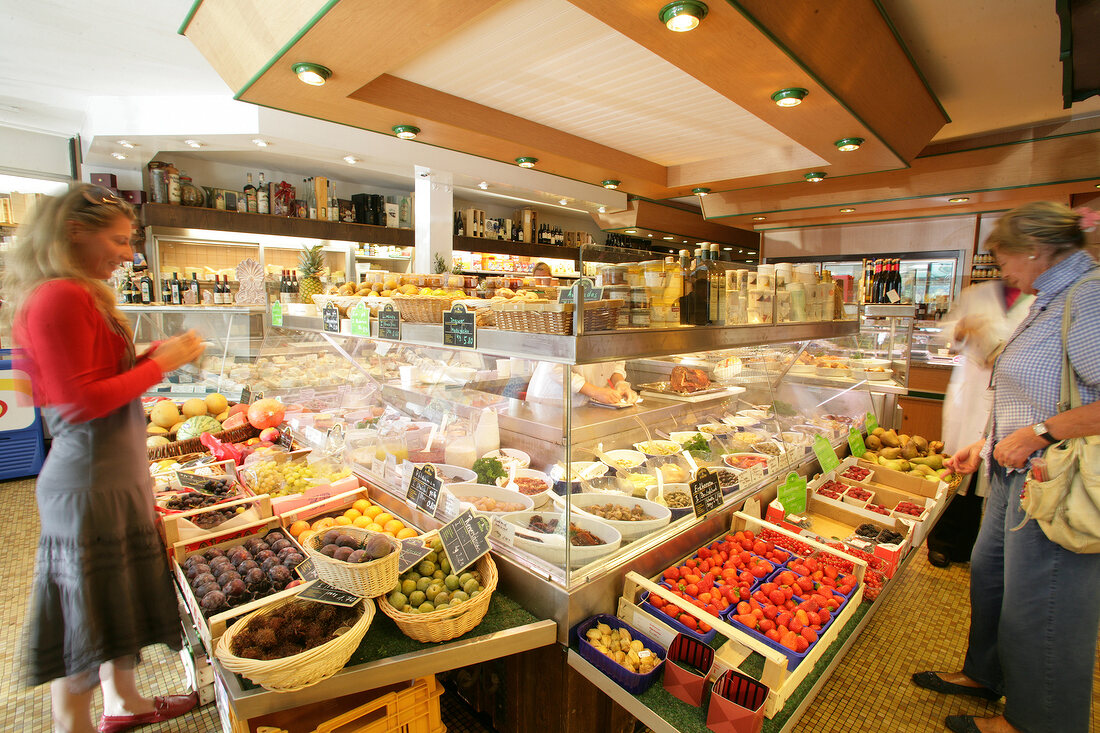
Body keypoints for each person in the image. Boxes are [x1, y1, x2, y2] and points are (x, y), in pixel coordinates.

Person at [2, 184, 205, 733]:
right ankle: (74, 725)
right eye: (117, 240)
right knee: (86, 622)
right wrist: (163, 363)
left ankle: (126, 704)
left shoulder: (73, 292)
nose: (128, 253)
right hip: (90, 481)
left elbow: (85, 375)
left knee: (112, 607)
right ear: (75, 232)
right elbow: (81, 400)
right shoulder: (60, 296)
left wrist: (141, 356)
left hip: (111, 475)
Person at [911, 202, 1100, 733]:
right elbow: (1029, 390)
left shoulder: (1088, 297)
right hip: (1007, 471)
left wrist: (1038, 434)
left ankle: (1036, 723)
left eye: (1002, 259)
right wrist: (985, 441)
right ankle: (984, 675)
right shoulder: (1047, 300)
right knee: (992, 582)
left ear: (1035, 251)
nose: (1002, 273)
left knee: (1047, 605)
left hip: (1052, 482)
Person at [925, 281, 1033, 567]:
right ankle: (941, 542)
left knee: (985, 481)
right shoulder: (979, 293)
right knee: (955, 471)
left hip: (1010, 398)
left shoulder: (1039, 298)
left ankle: (967, 547)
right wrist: (963, 330)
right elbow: (949, 333)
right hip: (971, 392)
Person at [526, 361, 636, 406]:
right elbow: (555, 369)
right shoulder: (569, 320)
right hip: (553, 401)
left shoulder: (613, 324)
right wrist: (596, 391)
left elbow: (616, 363)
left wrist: (620, 383)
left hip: (585, 405)